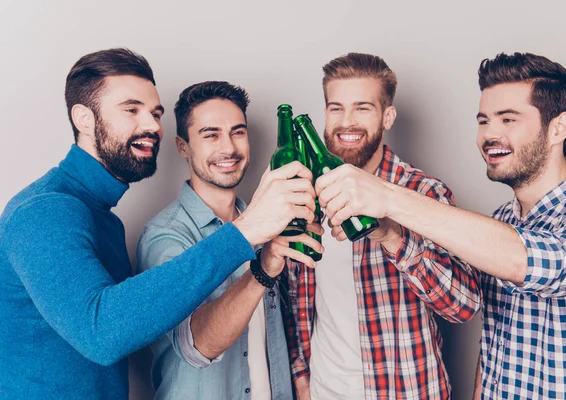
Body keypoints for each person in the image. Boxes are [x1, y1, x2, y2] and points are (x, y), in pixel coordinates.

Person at [0, 48, 316, 399]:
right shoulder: (45, 210)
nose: (152, 126)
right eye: (132, 110)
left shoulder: (102, 217)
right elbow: (102, 333)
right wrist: (244, 232)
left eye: (155, 113)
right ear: (84, 119)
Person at [316, 52, 566, 398]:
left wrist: (389, 199)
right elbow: (495, 343)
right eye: (484, 121)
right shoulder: (502, 220)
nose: (490, 134)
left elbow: (528, 261)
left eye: (508, 120)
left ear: (559, 127)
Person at [284, 52, 482, 400]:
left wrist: (391, 234)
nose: (347, 122)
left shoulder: (423, 192)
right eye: (336, 108)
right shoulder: (306, 194)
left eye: (362, 108)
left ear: (387, 116)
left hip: (404, 390)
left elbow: (463, 305)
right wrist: (302, 376)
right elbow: (298, 300)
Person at [137, 81, 322, 399]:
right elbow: (198, 346)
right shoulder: (165, 236)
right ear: (183, 146)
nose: (229, 148)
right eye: (211, 135)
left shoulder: (273, 223)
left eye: (238, 132)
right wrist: (262, 269)